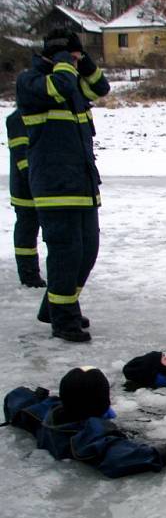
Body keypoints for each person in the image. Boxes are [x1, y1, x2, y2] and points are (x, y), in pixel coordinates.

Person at [16, 28, 110, 342]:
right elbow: (59, 85)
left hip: (82, 182)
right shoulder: (32, 82)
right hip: (55, 185)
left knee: (87, 251)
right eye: (70, 56)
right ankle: (62, 318)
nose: (73, 62)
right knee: (65, 253)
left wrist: (84, 63)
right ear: (54, 56)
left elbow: (101, 87)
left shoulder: (71, 80)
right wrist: (63, 64)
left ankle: (55, 305)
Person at [3, 366, 166, 478]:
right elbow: (117, 457)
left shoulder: (45, 415)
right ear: (102, 402)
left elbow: (16, 398)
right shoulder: (88, 436)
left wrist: (49, 399)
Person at [6, 109, 46, 288]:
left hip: (41, 185)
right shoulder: (18, 119)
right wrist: (36, 181)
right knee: (27, 230)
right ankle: (28, 274)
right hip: (26, 189)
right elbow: (22, 156)